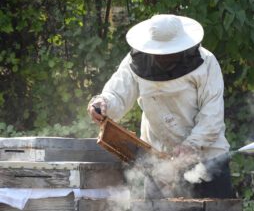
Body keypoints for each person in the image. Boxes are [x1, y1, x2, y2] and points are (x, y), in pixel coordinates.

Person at [87, 14, 234, 199]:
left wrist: (191, 145)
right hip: (160, 165)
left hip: (207, 160)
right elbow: (117, 94)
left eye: (169, 52)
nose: (164, 56)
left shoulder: (206, 62)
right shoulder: (135, 61)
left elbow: (212, 115)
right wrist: (103, 103)